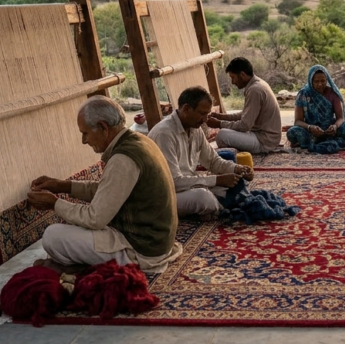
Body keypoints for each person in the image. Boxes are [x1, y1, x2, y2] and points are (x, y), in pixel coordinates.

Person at [27, 96, 181, 272]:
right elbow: (109, 190)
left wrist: (53, 203)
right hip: (154, 241)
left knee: (52, 236)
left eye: (85, 133)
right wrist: (63, 186)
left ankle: (80, 268)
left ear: (103, 127)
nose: (84, 141)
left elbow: (95, 219)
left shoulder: (123, 158)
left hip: (141, 250)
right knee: (71, 226)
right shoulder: (140, 141)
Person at [149, 86, 255, 217]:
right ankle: (218, 207)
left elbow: (213, 161)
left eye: (207, 114)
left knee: (232, 184)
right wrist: (216, 180)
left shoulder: (195, 129)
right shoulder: (164, 134)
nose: (205, 120)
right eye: (202, 113)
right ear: (186, 109)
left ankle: (214, 208)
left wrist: (237, 169)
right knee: (204, 198)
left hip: (187, 187)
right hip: (164, 195)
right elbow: (173, 183)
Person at [207, 57, 284, 154]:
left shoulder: (254, 90)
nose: (232, 82)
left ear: (242, 75)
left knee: (222, 135)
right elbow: (245, 114)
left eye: (233, 77)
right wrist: (222, 117)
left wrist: (219, 124)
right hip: (265, 137)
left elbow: (245, 125)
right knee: (227, 131)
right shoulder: (257, 85)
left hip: (264, 141)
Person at [286, 65, 345, 152]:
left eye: (323, 81)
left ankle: (314, 145)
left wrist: (335, 126)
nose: (320, 84)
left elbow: (340, 118)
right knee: (292, 132)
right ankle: (337, 143)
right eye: (316, 81)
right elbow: (297, 121)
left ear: (327, 80)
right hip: (311, 132)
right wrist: (310, 127)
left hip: (331, 131)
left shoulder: (333, 93)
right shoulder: (303, 94)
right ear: (310, 81)